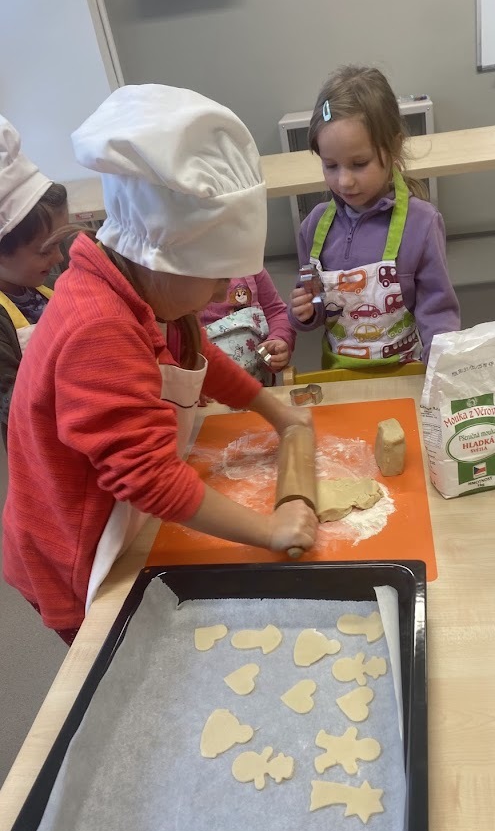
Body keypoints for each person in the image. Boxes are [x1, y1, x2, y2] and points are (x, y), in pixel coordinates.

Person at [2, 84, 318, 645]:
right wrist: (269, 529)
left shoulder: (140, 291)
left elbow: (197, 358)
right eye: (217, 275)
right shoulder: (99, 326)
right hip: (76, 550)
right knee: (114, 655)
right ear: (162, 257)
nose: (224, 290)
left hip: (117, 512)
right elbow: (146, 477)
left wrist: (277, 413)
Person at [289, 65, 460, 370]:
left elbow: (437, 312)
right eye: (331, 165)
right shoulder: (313, 227)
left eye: (359, 163)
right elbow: (316, 304)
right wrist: (305, 312)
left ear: (393, 147)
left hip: (403, 373)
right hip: (338, 377)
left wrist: (441, 366)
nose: (344, 181)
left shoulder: (421, 224)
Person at [0, 116, 68, 447]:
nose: (59, 258)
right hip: (42, 447)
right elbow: (13, 404)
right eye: (45, 251)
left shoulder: (43, 285)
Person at [198, 269, 295, 384]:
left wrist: (279, 339)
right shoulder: (185, 282)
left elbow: (276, 313)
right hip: (204, 387)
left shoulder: (251, 268)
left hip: (259, 383)